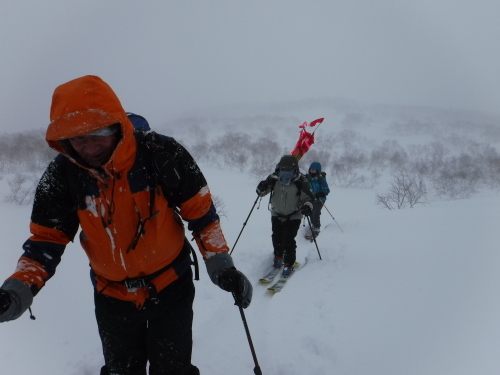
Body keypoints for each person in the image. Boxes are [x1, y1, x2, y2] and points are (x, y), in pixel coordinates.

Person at [0, 75, 252, 375]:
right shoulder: (63, 175)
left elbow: (202, 215)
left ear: (117, 125)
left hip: (171, 287)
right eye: (78, 138)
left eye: (98, 134)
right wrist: (17, 290)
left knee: (172, 369)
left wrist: (222, 266)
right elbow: (45, 241)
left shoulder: (162, 154)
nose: (90, 147)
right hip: (111, 297)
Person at [256, 155, 313, 277]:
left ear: (295, 170)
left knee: (288, 239)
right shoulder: (273, 179)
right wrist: (261, 187)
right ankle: (278, 256)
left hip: (294, 215)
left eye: (289, 170)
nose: (286, 173)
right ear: (279, 168)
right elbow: (261, 193)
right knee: (276, 236)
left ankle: (288, 263)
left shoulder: (301, 181)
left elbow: (309, 198)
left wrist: (307, 206)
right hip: (276, 213)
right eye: (284, 170)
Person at [305, 161, 330, 240]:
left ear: (318, 171)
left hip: (319, 200)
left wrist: (321, 193)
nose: (312, 171)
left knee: (316, 212)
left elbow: (327, 190)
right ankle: (313, 226)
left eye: (314, 170)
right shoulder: (307, 178)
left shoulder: (321, 179)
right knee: (310, 213)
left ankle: (316, 229)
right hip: (311, 199)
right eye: (311, 170)